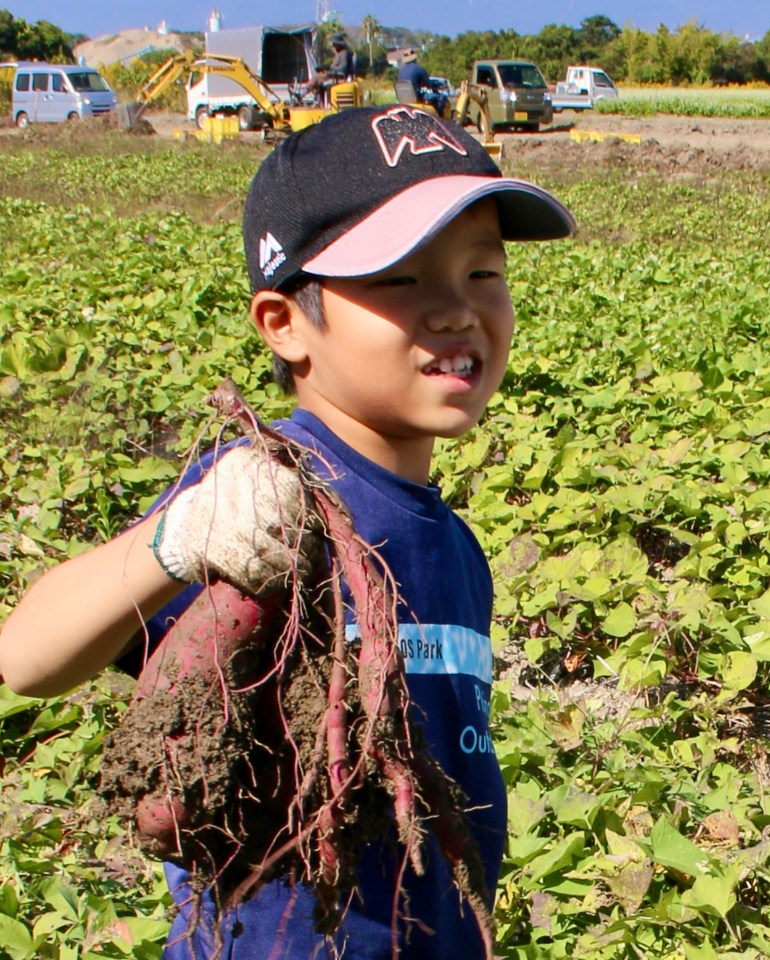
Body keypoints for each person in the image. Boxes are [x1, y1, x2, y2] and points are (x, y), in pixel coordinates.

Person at [0, 105, 575, 958]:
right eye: (401, 279)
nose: (457, 310)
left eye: (482, 272)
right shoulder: (260, 501)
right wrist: (172, 543)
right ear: (285, 323)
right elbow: (26, 658)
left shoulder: (456, 545)